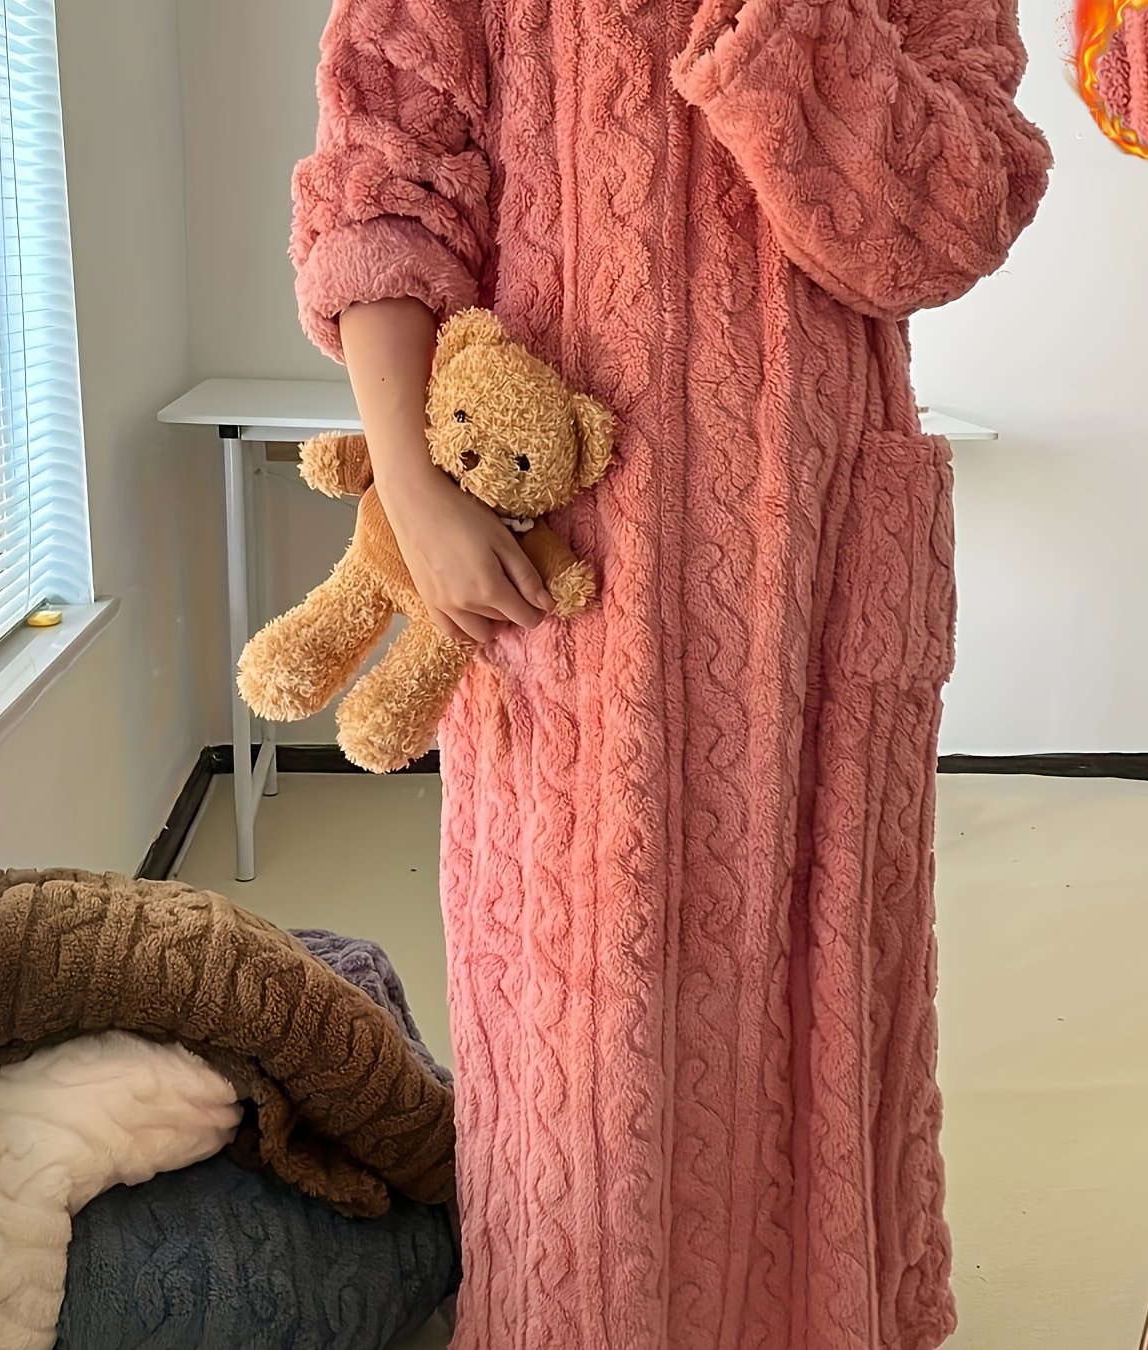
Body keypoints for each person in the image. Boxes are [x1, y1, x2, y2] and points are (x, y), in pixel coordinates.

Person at [291, 0, 1050, 1345]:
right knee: (581, 1049)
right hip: (564, 561)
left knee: (819, 1013)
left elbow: (950, 223)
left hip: (818, 573)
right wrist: (409, 487)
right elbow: (382, 187)